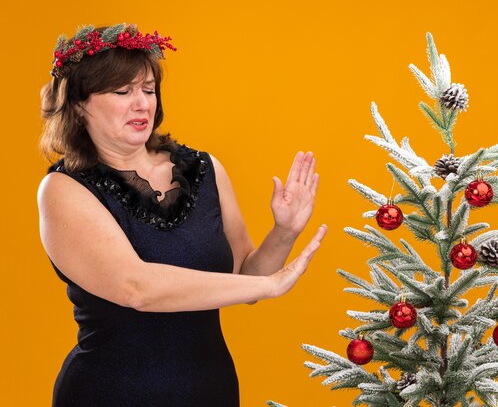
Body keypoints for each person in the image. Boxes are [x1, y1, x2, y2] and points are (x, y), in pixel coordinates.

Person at [37, 23, 327, 407]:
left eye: (148, 89)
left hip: (211, 389)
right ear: (77, 103)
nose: (142, 103)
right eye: (122, 91)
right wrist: (272, 286)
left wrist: (284, 231)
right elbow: (135, 288)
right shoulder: (63, 188)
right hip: (110, 393)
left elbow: (244, 278)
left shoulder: (204, 169)